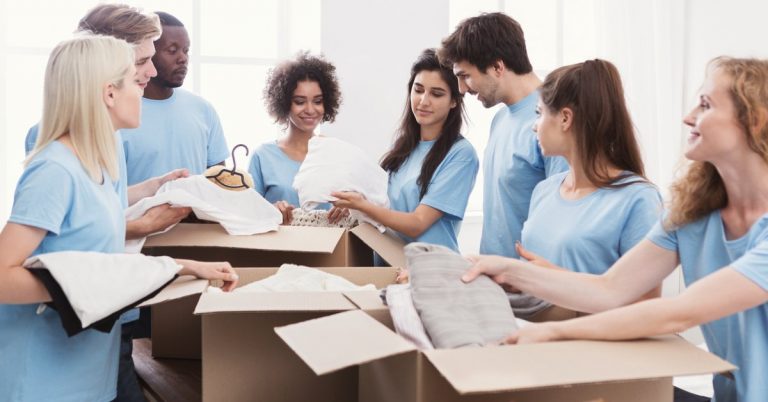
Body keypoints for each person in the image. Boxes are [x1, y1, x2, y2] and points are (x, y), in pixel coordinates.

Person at [463, 57, 768, 402]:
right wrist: (503, 268)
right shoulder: (693, 214)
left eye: (706, 104)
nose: (688, 116)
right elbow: (611, 289)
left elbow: (677, 313)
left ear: (754, 121)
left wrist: (555, 332)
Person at [0, 35, 238, 402]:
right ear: (109, 93)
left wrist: (187, 266)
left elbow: (104, 262)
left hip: (92, 372)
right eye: (135, 82)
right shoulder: (54, 169)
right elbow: (3, 276)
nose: (143, 90)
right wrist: (81, 287)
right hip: (44, 382)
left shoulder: (98, 164)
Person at [24, 4, 191, 240]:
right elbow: (59, 238)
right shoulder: (53, 149)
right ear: (105, 60)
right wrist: (141, 227)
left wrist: (154, 186)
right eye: (142, 61)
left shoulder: (110, 133)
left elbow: (98, 203)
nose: (152, 72)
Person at [512, 59, 662, 320]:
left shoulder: (638, 199)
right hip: (534, 342)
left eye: (539, 113)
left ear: (565, 118)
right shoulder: (544, 191)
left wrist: (554, 278)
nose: (534, 125)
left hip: (594, 351)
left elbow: (645, 307)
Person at [438, 12, 569, 258]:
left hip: (530, 283)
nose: (461, 89)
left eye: (465, 76)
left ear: (498, 67)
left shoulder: (553, 121)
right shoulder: (500, 120)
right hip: (496, 279)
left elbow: (564, 217)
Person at [332, 49, 479, 252]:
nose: (423, 101)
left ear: (454, 100)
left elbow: (417, 224)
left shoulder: (461, 154)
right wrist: (352, 206)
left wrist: (363, 206)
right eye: (418, 90)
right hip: (389, 266)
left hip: (429, 272)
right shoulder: (402, 148)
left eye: (436, 94)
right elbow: (382, 206)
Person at [120, 11, 229, 186]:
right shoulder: (120, 113)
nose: (183, 59)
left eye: (186, 51)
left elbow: (220, 181)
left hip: (198, 214)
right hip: (138, 213)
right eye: (172, 50)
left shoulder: (202, 109)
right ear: (148, 53)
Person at [248, 51, 344, 224]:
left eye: (317, 101)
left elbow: (354, 206)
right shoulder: (263, 157)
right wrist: (271, 210)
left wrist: (348, 208)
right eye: (300, 101)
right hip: (278, 247)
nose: (310, 109)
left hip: (328, 248)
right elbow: (246, 215)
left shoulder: (335, 155)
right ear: (284, 103)